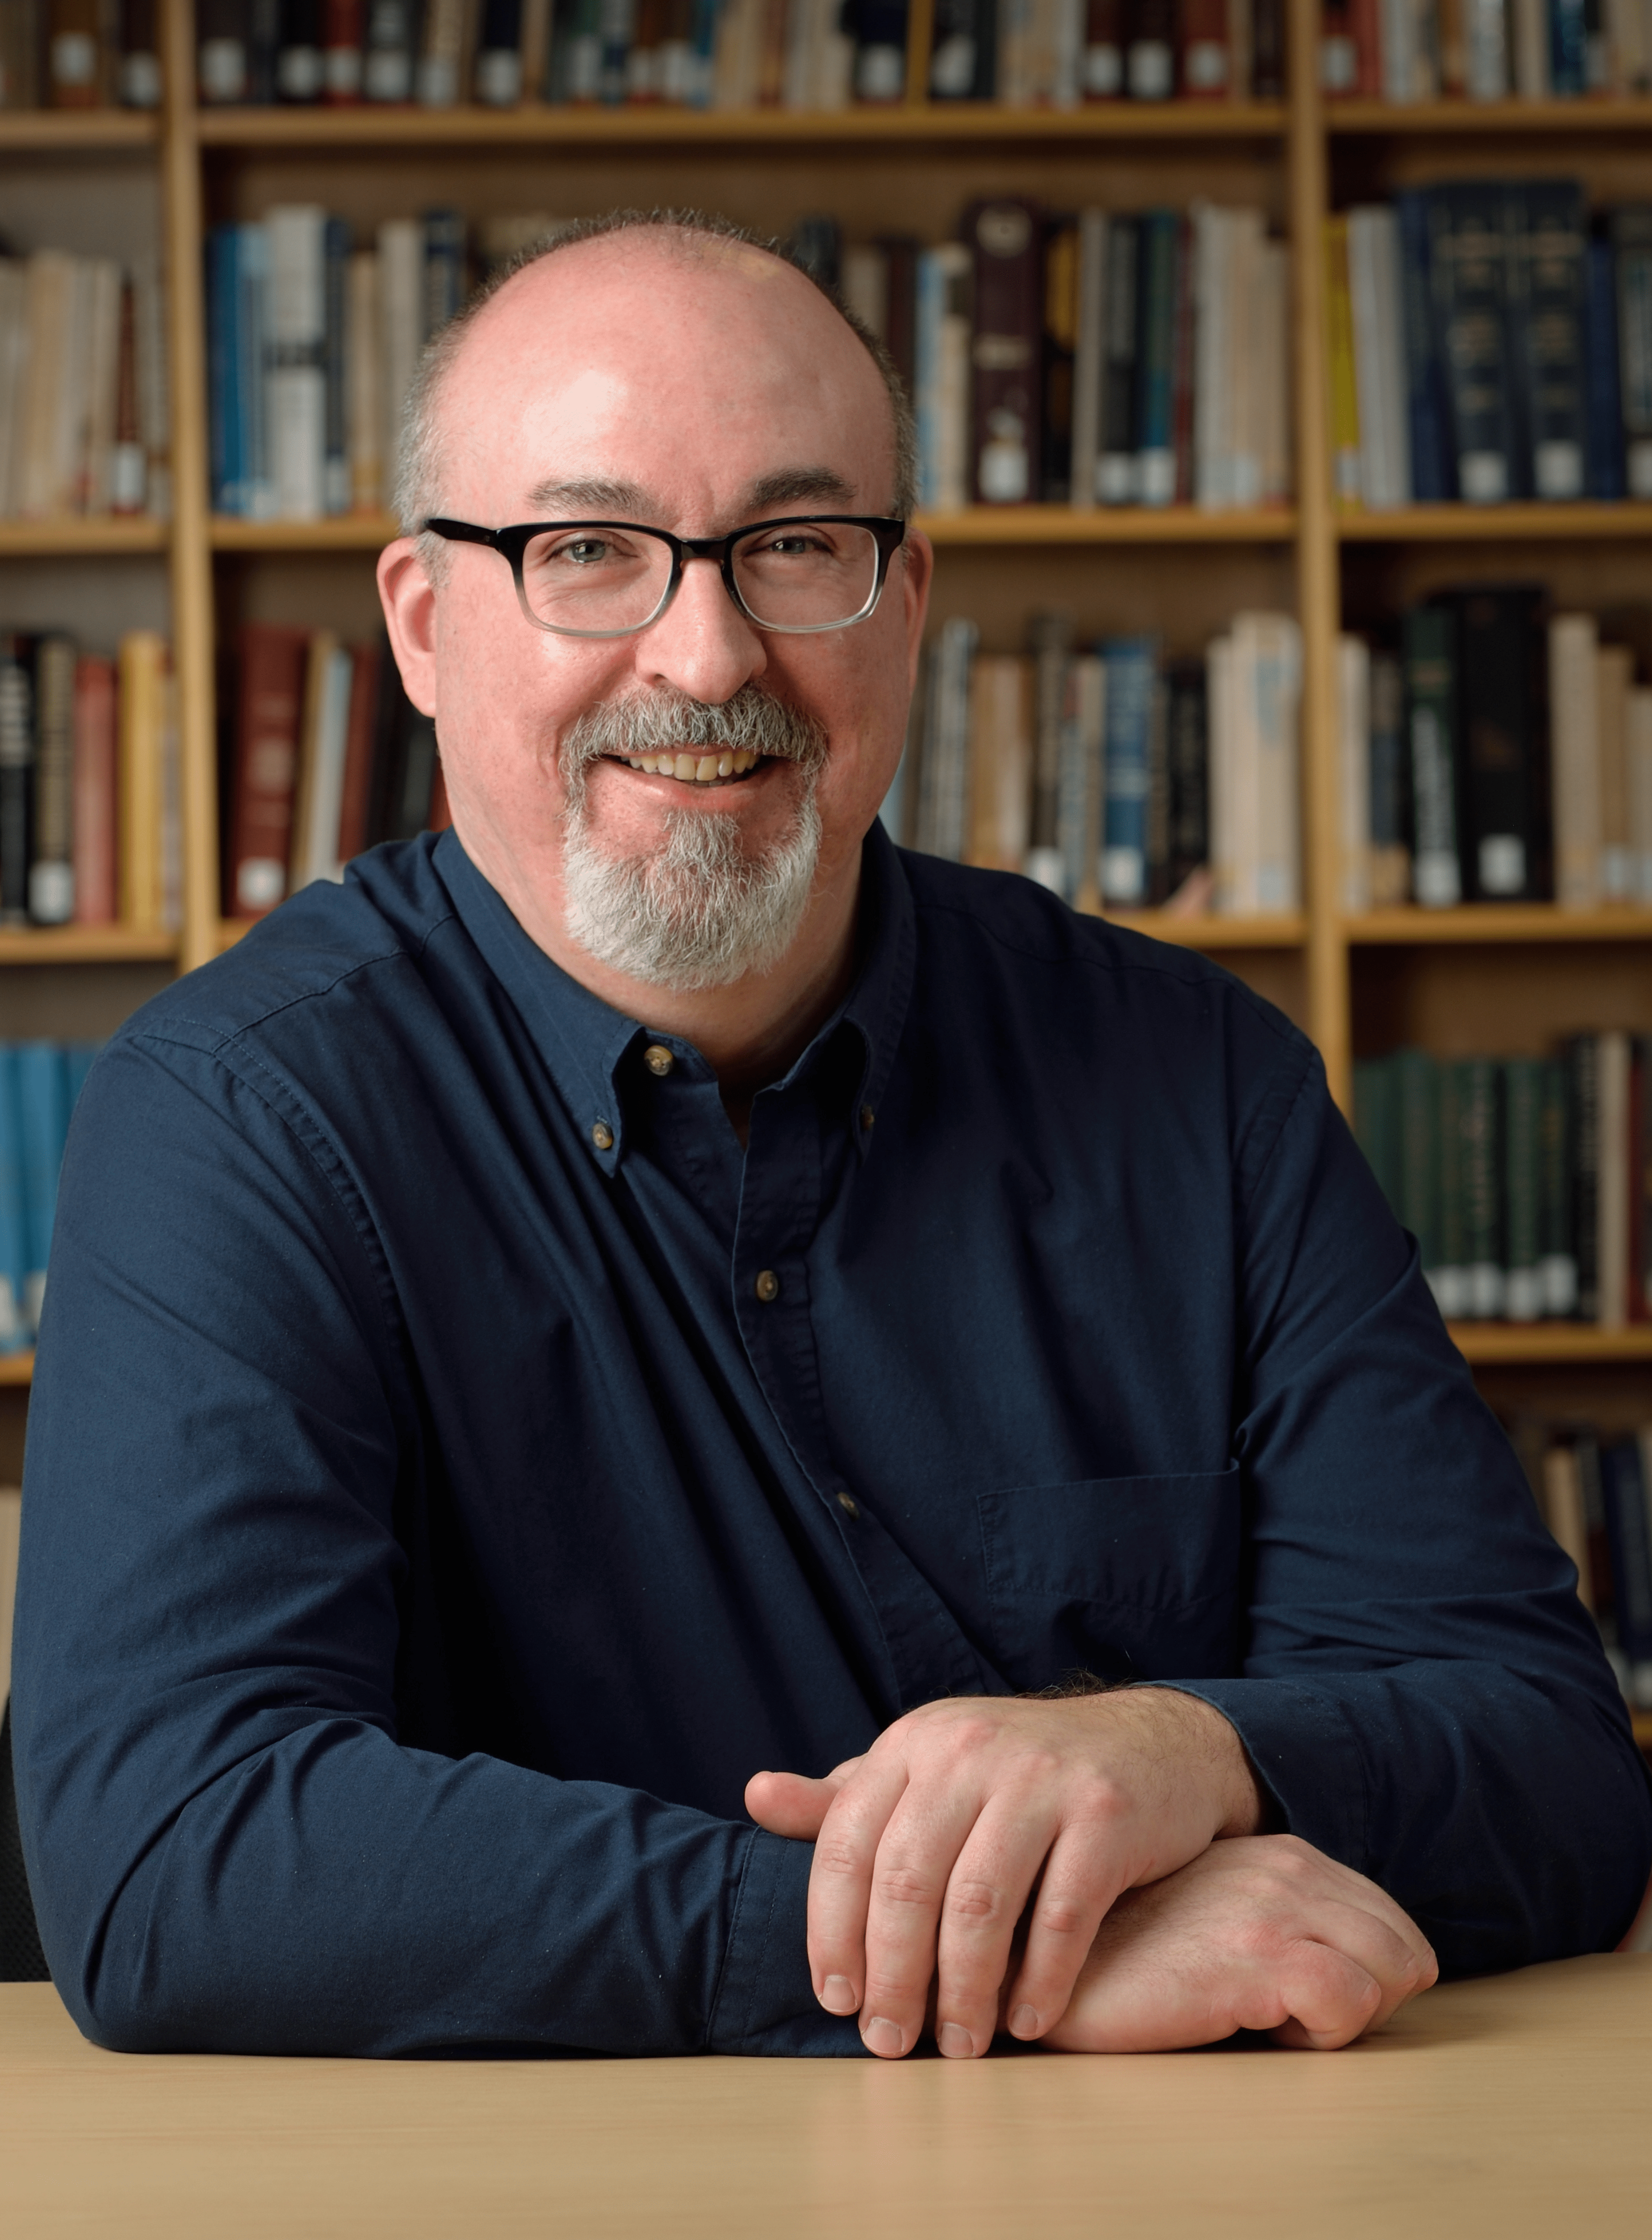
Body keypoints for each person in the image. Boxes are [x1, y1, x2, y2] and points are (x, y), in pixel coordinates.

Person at [12, 213, 1650, 2061]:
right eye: (588, 552)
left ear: (907, 602)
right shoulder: (244, 1119)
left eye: (795, 546)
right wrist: (960, 1948)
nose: (705, 654)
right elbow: (173, 1858)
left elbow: (1551, 1765)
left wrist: (1190, 1754)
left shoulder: (1201, 1081)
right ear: (422, 624)